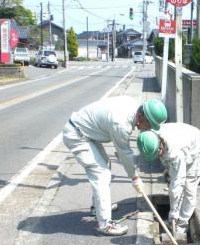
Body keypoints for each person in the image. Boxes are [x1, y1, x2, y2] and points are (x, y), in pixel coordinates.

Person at [62, 97, 167, 236]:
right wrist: (135, 177)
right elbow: (124, 153)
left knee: (105, 164)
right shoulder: (121, 123)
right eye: (149, 124)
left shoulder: (134, 106)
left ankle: (97, 208)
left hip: (85, 132)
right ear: (141, 116)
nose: (149, 128)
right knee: (101, 174)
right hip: (77, 136)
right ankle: (105, 224)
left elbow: (123, 152)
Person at [136, 123, 200, 233]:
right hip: (182, 142)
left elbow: (178, 181)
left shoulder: (175, 152)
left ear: (160, 144)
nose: (158, 157)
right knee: (174, 182)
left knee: (188, 187)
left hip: (196, 147)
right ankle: (174, 218)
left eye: (158, 153)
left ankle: (182, 225)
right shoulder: (149, 138)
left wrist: (173, 211)